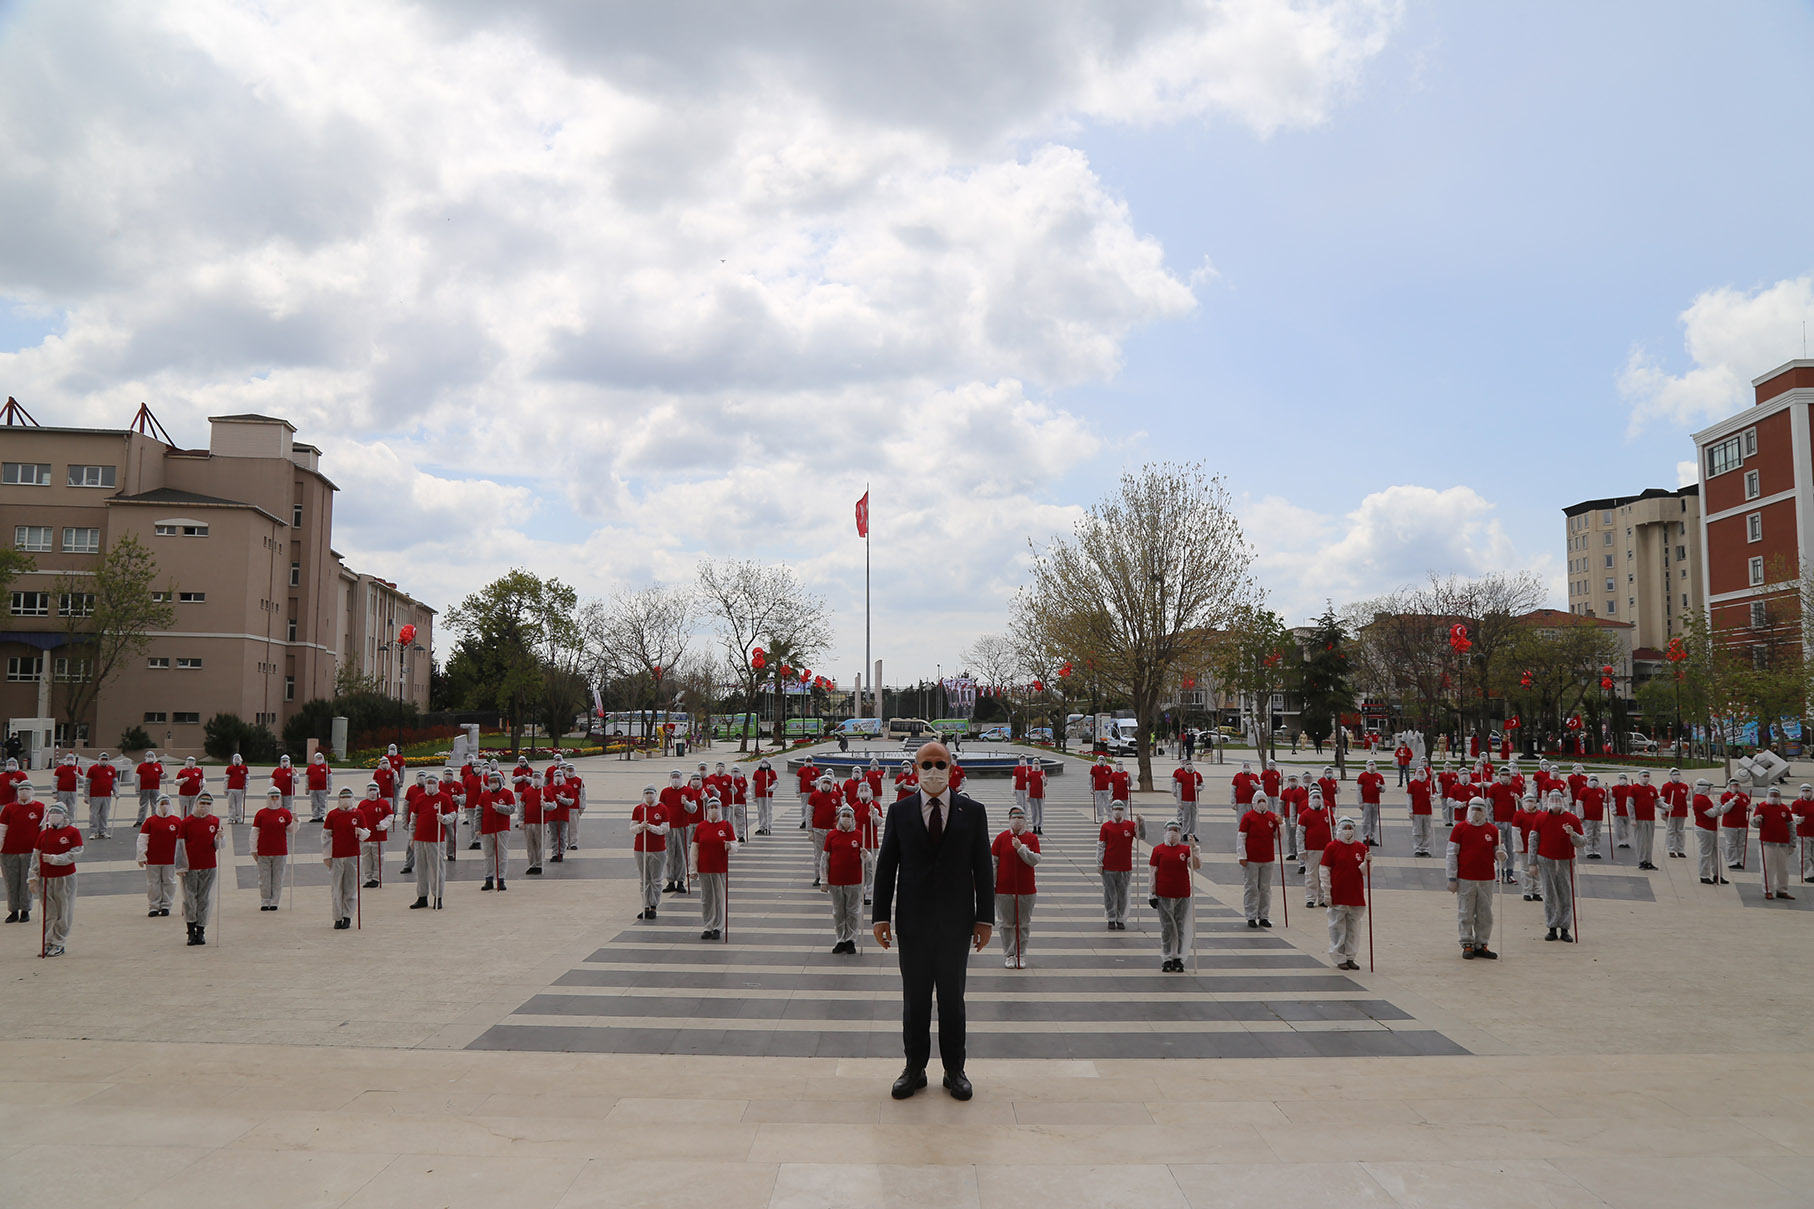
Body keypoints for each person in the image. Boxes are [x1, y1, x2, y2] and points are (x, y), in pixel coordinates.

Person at [871, 740, 994, 1103]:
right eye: (927, 765)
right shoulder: (900, 811)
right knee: (916, 1000)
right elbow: (886, 867)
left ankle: (955, 1070)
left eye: (941, 764)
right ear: (915, 768)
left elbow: (983, 869)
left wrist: (984, 918)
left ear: (952, 768)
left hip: (956, 923)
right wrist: (880, 916)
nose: (934, 771)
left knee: (953, 1001)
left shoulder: (973, 812)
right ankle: (914, 1068)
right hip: (914, 923)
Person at [1447, 799, 1505, 959]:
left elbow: (1500, 851)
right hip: (1466, 878)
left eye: (1480, 809)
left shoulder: (1492, 830)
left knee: (1485, 912)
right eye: (1473, 809)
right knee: (1466, 911)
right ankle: (1467, 943)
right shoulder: (1460, 829)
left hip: (1486, 878)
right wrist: (1451, 877)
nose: (1476, 812)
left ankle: (1482, 944)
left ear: (1485, 811)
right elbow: (1452, 853)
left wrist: (1502, 855)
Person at [1533, 790, 1589, 942]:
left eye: (1558, 799)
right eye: (1553, 799)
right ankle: (1552, 927)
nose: (1555, 802)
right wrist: (1532, 863)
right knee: (1549, 894)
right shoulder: (1540, 818)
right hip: (1546, 860)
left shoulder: (1572, 819)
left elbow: (1582, 842)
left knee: (1565, 894)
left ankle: (1564, 928)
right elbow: (1534, 841)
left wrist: (1572, 834)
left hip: (1565, 860)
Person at [991, 804, 1041, 968]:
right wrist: (992, 884)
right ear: (1009, 820)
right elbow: (994, 863)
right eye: (1014, 818)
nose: (1017, 821)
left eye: (1020, 818)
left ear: (1025, 820)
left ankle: (1021, 953)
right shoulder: (1001, 838)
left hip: (1026, 889)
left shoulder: (1032, 839)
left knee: (1023, 924)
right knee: (1006, 924)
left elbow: (1033, 860)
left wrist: (1021, 849)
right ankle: (1009, 954)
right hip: (1004, 889)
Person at [1148, 819, 1201, 972]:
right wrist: (1152, 894)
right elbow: (1153, 873)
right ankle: (1166, 957)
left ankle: (1178, 957)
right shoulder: (1158, 850)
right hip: (1163, 892)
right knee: (1166, 927)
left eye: (1176, 830)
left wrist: (1194, 849)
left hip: (1182, 892)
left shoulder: (1185, 850)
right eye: (1170, 829)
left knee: (1180, 925)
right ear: (1165, 832)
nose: (1173, 833)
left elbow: (1195, 866)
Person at [31, 801, 82, 955]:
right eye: (52, 812)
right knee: (49, 911)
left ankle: (59, 941)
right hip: (46, 878)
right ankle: (48, 940)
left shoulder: (72, 832)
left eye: (57, 813)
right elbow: (35, 857)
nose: (54, 816)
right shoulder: (43, 834)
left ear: (64, 815)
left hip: (65, 877)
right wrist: (32, 877)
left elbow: (75, 853)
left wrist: (55, 859)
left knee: (63, 910)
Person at [1322, 817, 1370, 970]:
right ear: (1340, 829)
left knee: (1353, 929)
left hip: (1355, 894)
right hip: (1338, 894)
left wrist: (1367, 863)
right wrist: (1327, 892)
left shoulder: (1361, 848)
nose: (1348, 831)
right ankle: (1339, 956)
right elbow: (1324, 870)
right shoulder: (1332, 847)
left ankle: (1350, 956)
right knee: (1337, 928)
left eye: (1350, 828)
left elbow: (1365, 872)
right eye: (1345, 828)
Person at [179, 792, 225, 946]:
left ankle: (201, 930)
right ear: (196, 804)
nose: (204, 807)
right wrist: (180, 865)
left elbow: (219, 846)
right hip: (190, 866)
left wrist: (220, 838)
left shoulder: (215, 822)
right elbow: (180, 846)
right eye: (202, 803)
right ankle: (190, 930)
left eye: (208, 804)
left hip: (208, 865)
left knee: (204, 899)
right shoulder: (186, 822)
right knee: (190, 899)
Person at [690, 795, 739, 940]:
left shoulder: (726, 826)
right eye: (710, 807)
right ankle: (708, 926)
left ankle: (718, 926)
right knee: (706, 898)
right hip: (704, 868)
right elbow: (694, 849)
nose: (713, 810)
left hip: (719, 868)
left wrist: (730, 846)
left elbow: (735, 845)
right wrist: (693, 869)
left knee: (719, 897)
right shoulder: (701, 826)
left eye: (715, 807)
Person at [406, 773, 455, 909]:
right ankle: (422, 896)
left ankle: (438, 896)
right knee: (421, 869)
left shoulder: (443, 798)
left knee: (436, 869)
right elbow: (414, 818)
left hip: (435, 839)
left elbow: (453, 814)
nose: (430, 786)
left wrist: (444, 818)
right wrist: (412, 836)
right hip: (420, 838)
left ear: (437, 784)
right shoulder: (420, 798)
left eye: (433, 783)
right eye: (428, 783)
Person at [0, 782, 46, 924]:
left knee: (27, 882)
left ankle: (25, 910)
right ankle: (13, 910)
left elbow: (43, 830)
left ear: (32, 791)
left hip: (30, 852)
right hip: (9, 851)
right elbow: (2, 829)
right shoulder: (9, 808)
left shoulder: (40, 808)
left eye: (27, 789)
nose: (24, 792)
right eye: (21, 789)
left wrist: (43, 849)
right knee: (11, 881)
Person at [321, 787, 367, 928]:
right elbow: (326, 836)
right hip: (336, 855)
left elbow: (366, 834)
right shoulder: (333, 815)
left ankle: (347, 915)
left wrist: (361, 832)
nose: (346, 800)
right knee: (336, 887)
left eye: (348, 797)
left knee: (350, 886)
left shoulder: (359, 814)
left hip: (352, 854)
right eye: (343, 797)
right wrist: (327, 856)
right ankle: (337, 917)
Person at [824, 804, 864, 952]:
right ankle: (840, 939)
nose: (846, 819)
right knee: (838, 911)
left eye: (849, 816)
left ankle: (851, 940)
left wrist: (865, 855)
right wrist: (824, 880)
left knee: (852, 911)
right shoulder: (832, 835)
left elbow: (867, 858)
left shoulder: (859, 835)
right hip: (835, 880)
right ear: (839, 818)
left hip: (854, 880)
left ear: (853, 819)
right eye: (844, 816)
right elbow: (825, 858)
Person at [1097, 800, 1143, 930]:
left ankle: (1120, 918)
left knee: (1123, 894)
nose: (1118, 811)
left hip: (1125, 866)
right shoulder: (1106, 827)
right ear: (1111, 810)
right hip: (1109, 866)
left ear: (1124, 810)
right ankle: (1111, 918)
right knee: (1110, 893)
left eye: (1120, 809)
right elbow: (1101, 846)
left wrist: (1141, 824)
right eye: (1115, 809)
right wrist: (1099, 862)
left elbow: (1141, 836)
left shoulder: (1130, 826)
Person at [1236, 794, 1280, 928]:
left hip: (1267, 858)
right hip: (1252, 859)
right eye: (1259, 801)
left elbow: (1278, 836)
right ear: (1254, 802)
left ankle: (1264, 916)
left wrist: (1280, 824)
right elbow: (1241, 837)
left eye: (1263, 801)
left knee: (1265, 889)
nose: (1261, 803)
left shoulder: (1272, 817)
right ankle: (1251, 915)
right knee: (1252, 887)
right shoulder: (1248, 817)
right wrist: (1242, 855)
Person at [138, 794, 183, 916]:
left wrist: (182, 858)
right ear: (157, 805)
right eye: (162, 804)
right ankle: (154, 905)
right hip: (153, 859)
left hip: (170, 859)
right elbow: (142, 839)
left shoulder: (177, 821)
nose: (164, 806)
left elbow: (182, 842)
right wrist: (141, 856)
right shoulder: (150, 821)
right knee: (153, 882)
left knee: (169, 881)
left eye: (166, 803)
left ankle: (166, 905)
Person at [252, 786, 295, 911]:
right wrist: (253, 849)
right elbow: (255, 832)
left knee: (277, 878)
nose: (275, 799)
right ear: (268, 797)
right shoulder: (261, 814)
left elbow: (291, 830)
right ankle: (265, 901)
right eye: (272, 796)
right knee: (264, 878)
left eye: (277, 796)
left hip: (280, 851)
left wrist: (296, 821)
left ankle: (275, 901)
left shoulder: (285, 813)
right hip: (264, 850)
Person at [631, 785, 669, 920]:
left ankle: (654, 906)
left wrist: (651, 827)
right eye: (646, 793)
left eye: (651, 793)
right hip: (641, 848)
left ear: (655, 794)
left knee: (656, 879)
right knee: (644, 879)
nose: (649, 795)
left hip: (657, 849)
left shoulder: (662, 808)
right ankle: (645, 905)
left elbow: (664, 828)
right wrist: (641, 826)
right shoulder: (639, 809)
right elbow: (632, 828)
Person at [1753, 788, 1797, 900]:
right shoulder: (1761, 807)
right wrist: (1756, 820)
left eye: (1776, 795)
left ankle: (1782, 890)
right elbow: (1755, 824)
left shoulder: (1784, 808)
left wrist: (1792, 842)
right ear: (1768, 795)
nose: (1774, 797)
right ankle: (1768, 890)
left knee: (1783, 868)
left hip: (1783, 843)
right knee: (1768, 868)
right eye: (1772, 795)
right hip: (1767, 842)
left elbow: (1790, 826)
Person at [478, 771, 516, 892]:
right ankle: (489, 878)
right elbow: (478, 812)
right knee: (488, 855)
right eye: (491, 782)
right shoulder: (484, 795)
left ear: (500, 782)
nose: (493, 784)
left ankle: (501, 878)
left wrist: (499, 808)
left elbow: (512, 809)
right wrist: (478, 828)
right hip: (487, 829)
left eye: (495, 781)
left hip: (501, 829)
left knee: (501, 855)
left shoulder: (507, 794)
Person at [1297, 788, 1332, 908]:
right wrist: (1301, 849)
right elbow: (1300, 833)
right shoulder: (1305, 815)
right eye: (1314, 798)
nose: (1316, 800)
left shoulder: (1327, 814)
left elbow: (1334, 831)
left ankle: (1322, 898)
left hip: (1326, 850)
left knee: (1324, 875)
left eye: (1318, 797)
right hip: (1311, 850)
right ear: (1310, 800)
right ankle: (1310, 898)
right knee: (1311, 874)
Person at [357, 781, 393, 888]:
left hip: (379, 837)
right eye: (370, 790)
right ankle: (368, 878)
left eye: (374, 790)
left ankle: (376, 878)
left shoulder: (383, 803)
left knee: (378, 858)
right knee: (366, 858)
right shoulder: (362, 804)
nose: (372, 792)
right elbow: (358, 818)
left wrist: (383, 825)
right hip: (366, 837)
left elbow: (390, 816)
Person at [1692, 779, 1727, 885]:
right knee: (1706, 853)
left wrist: (1718, 809)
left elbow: (1714, 812)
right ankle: (1704, 875)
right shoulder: (1699, 799)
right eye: (1709, 788)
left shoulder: (1705, 799)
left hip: (1712, 828)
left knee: (1716, 853)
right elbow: (1710, 813)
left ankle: (1717, 874)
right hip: (1705, 828)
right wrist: (1717, 806)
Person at [808, 774, 840, 888]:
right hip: (818, 829)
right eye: (824, 782)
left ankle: (830, 875)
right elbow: (809, 813)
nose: (826, 785)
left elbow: (839, 812)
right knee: (818, 854)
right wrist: (809, 830)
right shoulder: (814, 795)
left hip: (831, 830)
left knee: (831, 854)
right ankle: (818, 876)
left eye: (828, 783)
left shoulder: (836, 795)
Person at [1630, 770, 1661, 870]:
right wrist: (1632, 818)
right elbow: (1629, 804)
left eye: (1648, 776)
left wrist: (1666, 806)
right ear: (1640, 777)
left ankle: (1649, 861)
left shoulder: (1652, 789)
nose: (1646, 778)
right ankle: (1641, 861)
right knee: (1641, 841)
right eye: (1644, 776)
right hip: (1639, 819)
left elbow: (1658, 801)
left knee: (1649, 841)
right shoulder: (1634, 788)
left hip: (1650, 819)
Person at [83, 752, 117, 839]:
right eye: (103, 759)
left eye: (106, 759)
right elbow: (87, 783)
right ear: (99, 759)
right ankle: (93, 832)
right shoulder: (92, 769)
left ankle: (103, 831)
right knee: (94, 814)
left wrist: (116, 792)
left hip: (106, 796)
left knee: (104, 814)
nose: (104, 761)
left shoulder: (112, 769)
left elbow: (114, 783)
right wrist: (86, 795)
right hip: (95, 796)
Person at [518, 773, 545, 876]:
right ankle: (532, 864)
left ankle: (539, 864)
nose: (536, 780)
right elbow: (522, 807)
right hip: (528, 822)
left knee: (539, 844)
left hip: (540, 822)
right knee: (530, 844)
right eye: (534, 778)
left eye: (538, 778)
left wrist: (546, 805)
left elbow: (553, 805)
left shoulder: (545, 791)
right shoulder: (527, 791)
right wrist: (521, 820)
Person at [1720, 779, 1751, 869]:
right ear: (1730, 786)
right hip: (1730, 824)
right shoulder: (1725, 796)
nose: (1735, 787)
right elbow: (1724, 809)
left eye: (1737, 785)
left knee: (1741, 843)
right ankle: (1731, 861)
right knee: (1731, 843)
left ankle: (1739, 860)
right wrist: (1732, 801)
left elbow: (1745, 806)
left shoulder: (1744, 796)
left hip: (1742, 823)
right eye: (1733, 785)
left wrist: (1748, 808)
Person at [1661, 768, 1690, 860]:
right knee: (1671, 831)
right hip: (1670, 812)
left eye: (1678, 774)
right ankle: (1671, 849)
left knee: (1680, 831)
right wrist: (1662, 812)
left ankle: (1680, 850)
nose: (1676, 776)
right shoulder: (1666, 786)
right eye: (1674, 774)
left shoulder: (1684, 786)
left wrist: (1692, 790)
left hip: (1682, 812)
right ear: (1670, 775)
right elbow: (1661, 800)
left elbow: (1689, 798)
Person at [1172, 757, 1202, 839]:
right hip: (1185, 800)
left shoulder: (1197, 775)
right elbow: (1179, 788)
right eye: (1187, 764)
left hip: (1194, 799)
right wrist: (1179, 801)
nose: (1189, 766)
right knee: (1185, 817)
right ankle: (1185, 833)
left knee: (1193, 817)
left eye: (1190, 764)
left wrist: (1198, 788)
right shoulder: (1181, 775)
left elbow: (1202, 785)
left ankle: (1192, 833)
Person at [1407, 766, 1434, 856]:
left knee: (1427, 831)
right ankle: (1418, 848)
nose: (1421, 774)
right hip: (1417, 811)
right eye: (1419, 772)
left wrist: (1433, 798)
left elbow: (1434, 794)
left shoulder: (1429, 783)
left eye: (1422, 772)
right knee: (1417, 831)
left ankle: (1426, 848)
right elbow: (1409, 799)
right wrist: (1410, 811)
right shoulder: (1412, 784)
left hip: (1427, 811)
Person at [1578, 775, 1607, 857]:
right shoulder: (1584, 791)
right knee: (1588, 834)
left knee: (1597, 835)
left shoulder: (1601, 791)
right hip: (1588, 817)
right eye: (1592, 780)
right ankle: (1589, 851)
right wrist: (1581, 816)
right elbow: (1579, 803)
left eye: (1595, 780)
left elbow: (1606, 800)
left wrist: (1609, 792)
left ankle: (1596, 851)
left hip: (1598, 817)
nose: (1594, 782)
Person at [1357, 760, 1384, 847]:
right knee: (1366, 820)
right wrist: (1360, 802)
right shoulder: (1362, 776)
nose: (1371, 767)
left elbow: (1384, 789)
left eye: (1373, 765)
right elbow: (1359, 790)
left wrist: (1380, 787)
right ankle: (1365, 837)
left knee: (1373, 820)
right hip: (1366, 802)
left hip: (1375, 802)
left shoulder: (1379, 776)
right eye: (1370, 765)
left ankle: (1372, 837)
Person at [134, 750, 164, 826]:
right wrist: (137, 789)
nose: (150, 758)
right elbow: (137, 778)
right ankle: (140, 820)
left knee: (155, 804)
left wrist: (164, 775)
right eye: (148, 756)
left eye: (151, 756)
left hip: (155, 788)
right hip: (144, 788)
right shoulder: (141, 766)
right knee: (143, 805)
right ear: (146, 757)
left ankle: (155, 819)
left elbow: (161, 775)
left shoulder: (158, 766)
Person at [1793, 783, 1814, 884]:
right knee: (1805, 855)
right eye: (1804, 791)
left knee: (1813, 855)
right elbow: (1792, 815)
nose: (1806, 793)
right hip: (1803, 833)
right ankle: (1808, 874)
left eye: (1808, 790)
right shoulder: (1797, 803)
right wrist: (1797, 819)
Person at [753, 758, 778, 835]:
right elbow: (753, 784)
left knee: (768, 811)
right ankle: (761, 827)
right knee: (761, 811)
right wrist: (753, 796)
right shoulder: (757, 772)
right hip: (759, 795)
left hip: (768, 795)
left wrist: (770, 788)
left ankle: (768, 827)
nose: (764, 763)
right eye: (763, 762)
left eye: (765, 762)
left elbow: (776, 783)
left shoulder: (772, 772)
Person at [222, 754, 249, 825]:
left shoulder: (244, 768)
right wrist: (225, 789)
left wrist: (246, 788)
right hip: (231, 789)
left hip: (240, 789)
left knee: (239, 804)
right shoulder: (229, 768)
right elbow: (226, 779)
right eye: (235, 759)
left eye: (238, 759)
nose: (237, 760)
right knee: (231, 804)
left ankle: (238, 817)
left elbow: (247, 779)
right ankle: (231, 817)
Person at [272, 755, 300, 821]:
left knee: (288, 807)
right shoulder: (277, 770)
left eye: (286, 761)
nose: (284, 762)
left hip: (288, 792)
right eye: (283, 761)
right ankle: (279, 818)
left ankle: (288, 819)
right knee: (278, 806)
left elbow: (297, 781)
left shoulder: (292, 770)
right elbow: (272, 780)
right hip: (278, 793)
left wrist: (295, 775)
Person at [1610, 772, 1633, 850]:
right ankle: (1621, 841)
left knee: (1628, 828)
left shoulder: (1631, 788)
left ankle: (1626, 841)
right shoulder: (1615, 788)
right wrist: (1613, 810)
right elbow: (1612, 800)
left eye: (1624, 778)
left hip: (1628, 812)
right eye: (1621, 778)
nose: (1622, 780)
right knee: (1619, 828)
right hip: (1619, 812)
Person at [795, 755, 819, 829]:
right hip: (804, 792)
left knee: (813, 807)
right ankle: (804, 821)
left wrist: (814, 783)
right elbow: (797, 781)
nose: (809, 762)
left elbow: (819, 780)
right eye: (807, 761)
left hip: (813, 792)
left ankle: (812, 821)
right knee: (804, 807)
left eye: (810, 761)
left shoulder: (815, 770)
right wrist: (797, 792)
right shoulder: (801, 770)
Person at [1025, 761, 1047, 835]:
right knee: (1034, 811)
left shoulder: (1042, 773)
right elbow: (1027, 785)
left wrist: (1044, 779)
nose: (1036, 765)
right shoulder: (1030, 774)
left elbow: (1045, 784)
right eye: (1035, 764)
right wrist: (1027, 795)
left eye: (1037, 763)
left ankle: (1040, 827)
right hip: (1032, 795)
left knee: (1040, 811)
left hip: (1040, 795)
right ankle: (1034, 826)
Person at [1089, 754, 1113, 823]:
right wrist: (1091, 788)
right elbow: (1090, 778)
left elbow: (1112, 778)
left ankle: (1110, 818)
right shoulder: (1094, 768)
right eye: (1100, 759)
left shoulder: (1108, 768)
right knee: (1099, 804)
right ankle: (1100, 818)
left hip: (1106, 789)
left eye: (1102, 759)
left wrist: (1112, 788)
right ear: (1098, 760)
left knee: (1108, 804)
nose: (1101, 761)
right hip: (1098, 789)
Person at [730, 765, 751, 841]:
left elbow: (747, 789)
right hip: (731, 803)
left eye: (737, 771)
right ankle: (731, 836)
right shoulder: (730, 780)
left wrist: (747, 795)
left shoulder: (743, 779)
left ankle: (741, 835)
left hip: (741, 803)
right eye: (734, 771)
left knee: (741, 820)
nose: (735, 773)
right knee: (730, 821)